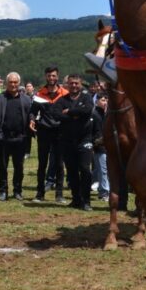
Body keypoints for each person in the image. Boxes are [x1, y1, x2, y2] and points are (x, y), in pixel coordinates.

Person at [0, 72, 33, 201]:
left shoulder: (25, 99)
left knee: (19, 167)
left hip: (20, 138)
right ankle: (3, 191)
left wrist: (32, 120)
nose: (13, 85)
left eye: (15, 82)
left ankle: (17, 191)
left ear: (19, 83)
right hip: (3, 138)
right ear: (7, 83)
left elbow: (30, 114)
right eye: (10, 82)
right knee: (2, 166)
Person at [56, 75, 95, 210]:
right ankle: (76, 199)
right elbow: (56, 113)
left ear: (80, 84)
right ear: (67, 84)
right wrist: (76, 115)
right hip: (67, 140)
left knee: (85, 169)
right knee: (71, 171)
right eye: (71, 83)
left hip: (84, 139)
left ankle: (86, 200)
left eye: (76, 83)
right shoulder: (62, 100)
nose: (74, 86)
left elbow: (88, 110)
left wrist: (70, 112)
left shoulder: (87, 98)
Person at [32, 66, 68, 203]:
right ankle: (40, 193)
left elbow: (69, 111)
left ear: (57, 76)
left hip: (60, 132)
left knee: (59, 164)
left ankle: (59, 194)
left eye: (53, 75)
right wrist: (31, 120)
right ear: (45, 77)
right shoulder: (40, 94)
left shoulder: (64, 93)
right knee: (42, 163)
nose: (51, 78)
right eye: (49, 76)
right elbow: (33, 111)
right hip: (44, 132)